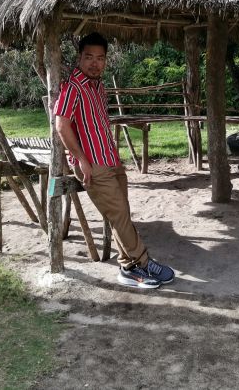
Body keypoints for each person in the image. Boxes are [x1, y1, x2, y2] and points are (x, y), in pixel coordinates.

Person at [54, 32, 175, 289]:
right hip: (92, 165)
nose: (94, 63)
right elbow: (61, 124)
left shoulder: (98, 86)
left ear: (106, 60)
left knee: (122, 215)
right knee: (120, 215)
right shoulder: (72, 87)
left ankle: (127, 267)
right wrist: (80, 159)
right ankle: (144, 262)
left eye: (100, 58)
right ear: (80, 57)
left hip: (110, 160)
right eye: (89, 57)